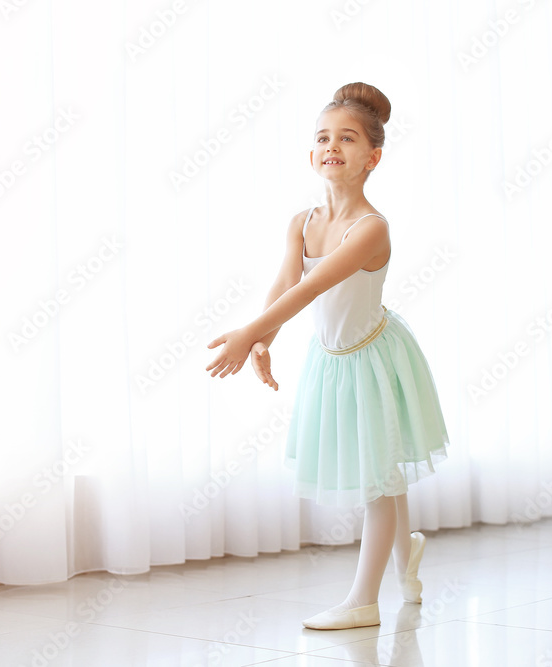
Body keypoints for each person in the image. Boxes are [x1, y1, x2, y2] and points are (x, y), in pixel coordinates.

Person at [205, 82, 449, 630]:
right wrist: (263, 340)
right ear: (311, 153)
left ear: (373, 157)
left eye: (348, 137)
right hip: (332, 360)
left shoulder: (371, 228)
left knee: (377, 479)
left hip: (371, 358)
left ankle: (364, 601)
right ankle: (406, 553)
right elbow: (285, 282)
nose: (331, 145)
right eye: (322, 136)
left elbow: (310, 293)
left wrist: (247, 333)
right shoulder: (303, 221)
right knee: (383, 463)